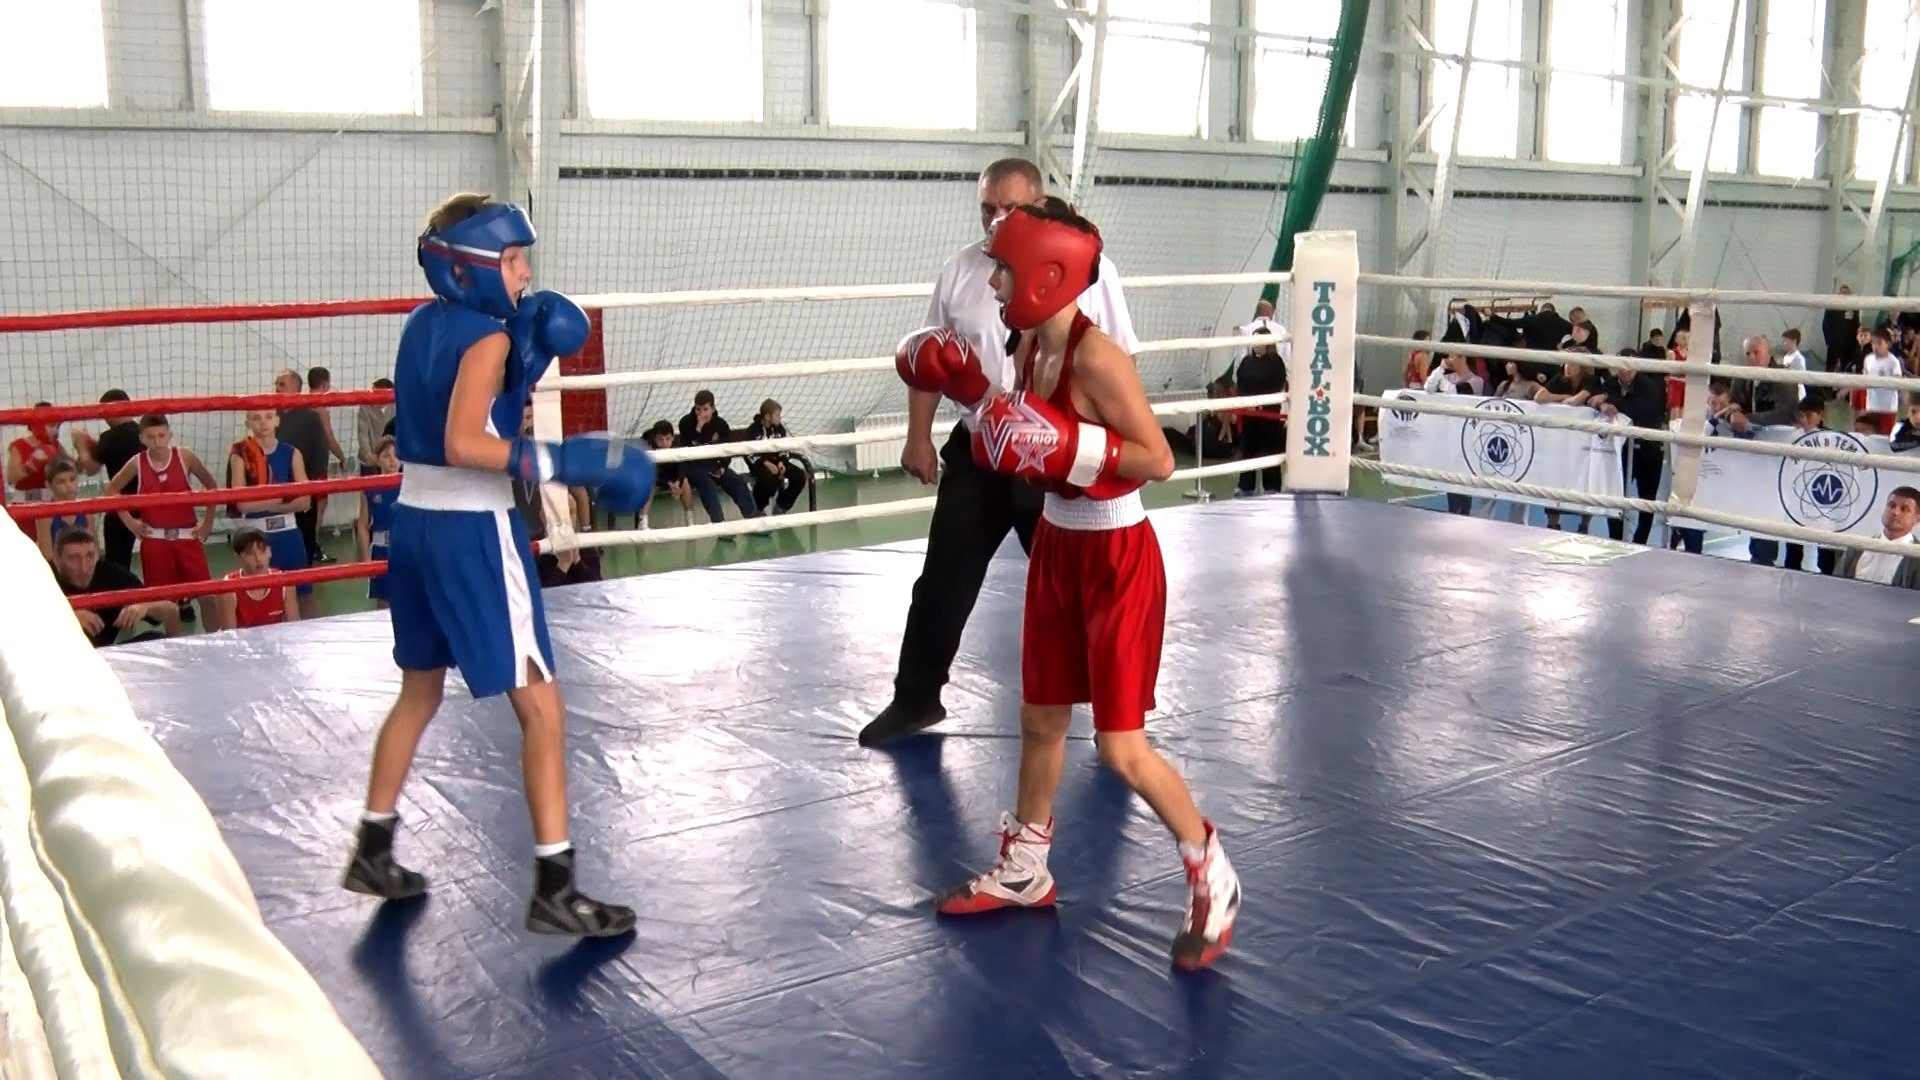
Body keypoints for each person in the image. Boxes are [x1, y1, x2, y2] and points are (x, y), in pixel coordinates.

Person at [897, 200, 1239, 970]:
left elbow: (1157, 459)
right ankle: (1025, 869)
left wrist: (1076, 447)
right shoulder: (1028, 347)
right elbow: (1022, 434)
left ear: (1045, 275)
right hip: (1057, 545)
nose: (994, 281)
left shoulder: (1097, 358)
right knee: (1042, 718)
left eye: (1004, 268)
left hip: (1116, 556)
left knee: (1121, 750)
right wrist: (978, 396)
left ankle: (1212, 872)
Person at [341, 192, 653, 938]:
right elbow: (464, 442)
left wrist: (525, 357)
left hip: (413, 524)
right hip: (473, 531)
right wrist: (563, 461)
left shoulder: (424, 324)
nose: (524, 273)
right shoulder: (486, 337)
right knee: (542, 707)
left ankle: (372, 849)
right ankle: (556, 888)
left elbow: (453, 416)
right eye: (511, 259)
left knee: (419, 692)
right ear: (470, 267)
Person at [862, 157, 1138, 748]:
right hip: (981, 447)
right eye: (986, 208)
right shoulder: (963, 269)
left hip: (1055, 456)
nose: (994, 219)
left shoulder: (1090, 267)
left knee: (1083, 588)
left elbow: (1122, 363)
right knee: (943, 578)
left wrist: (1092, 448)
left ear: (1037, 204)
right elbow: (934, 357)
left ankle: (1123, 711)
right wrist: (918, 436)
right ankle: (915, 698)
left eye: (1008, 208)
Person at [105, 414, 218, 622]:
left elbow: (211, 485)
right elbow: (112, 489)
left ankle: (216, 638)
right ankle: (173, 641)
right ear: (141, 438)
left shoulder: (184, 456)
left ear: (169, 435)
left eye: (161, 435)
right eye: (151, 437)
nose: (157, 442)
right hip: (155, 541)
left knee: (207, 596)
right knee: (165, 603)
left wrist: (207, 522)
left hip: (188, 537)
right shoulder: (137, 462)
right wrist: (131, 522)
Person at [228, 408, 316, 619]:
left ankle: (312, 640)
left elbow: (305, 501)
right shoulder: (240, 453)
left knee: (304, 596)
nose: (263, 423)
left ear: (277, 420)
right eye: (256, 417)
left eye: (268, 417)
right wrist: (281, 499)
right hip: (256, 538)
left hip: (289, 534)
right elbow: (242, 504)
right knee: (259, 597)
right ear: (247, 422)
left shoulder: (292, 453)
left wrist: (270, 505)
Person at [52, 528, 181, 648]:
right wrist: (67, 616)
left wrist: (145, 607)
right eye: (73, 558)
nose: (84, 567)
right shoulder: (45, 576)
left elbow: (171, 610)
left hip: (104, 655)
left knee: (156, 639)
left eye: (90, 555)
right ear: (57, 559)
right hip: (57, 656)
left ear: (97, 555)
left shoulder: (110, 573)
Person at [72, 390, 144, 570]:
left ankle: (119, 586)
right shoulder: (143, 433)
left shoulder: (109, 437)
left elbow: (91, 468)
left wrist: (80, 444)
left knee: (116, 563)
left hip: (120, 505)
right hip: (147, 502)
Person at [678, 390, 760, 526]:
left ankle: (752, 519)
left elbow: (727, 451)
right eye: (698, 409)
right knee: (708, 486)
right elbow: (687, 448)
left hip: (714, 465)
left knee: (737, 482)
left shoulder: (721, 425)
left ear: (713, 408)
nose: (701, 413)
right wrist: (698, 428)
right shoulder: (686, 423)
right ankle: (719, 525)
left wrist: (723, 466)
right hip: (693, 466)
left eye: (705, 409)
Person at [1233, 325, 1287, 496]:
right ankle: (1245, 486)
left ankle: (1272, 487)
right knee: (1248, 449)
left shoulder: (1276, 363)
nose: (1255, 344)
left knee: (1269, 450)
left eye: (1259, 341)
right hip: (1250, 414)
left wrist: (1262, 403)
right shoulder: (1246, 362)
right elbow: (1240, 382)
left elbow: (1276, 383)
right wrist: (1246, 401)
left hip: (1269, 414)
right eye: (1253, 340)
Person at [1837, 487, 1920, 588]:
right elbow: (1835, 586)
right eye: (1891, 505)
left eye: (1904, 509)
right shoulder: (1857, 548)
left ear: (1917, 519)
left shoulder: (1917, 558)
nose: (1895, 512)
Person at [220, 527, 301, 630]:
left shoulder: (284, 583)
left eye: (262, 551)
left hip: (276, 638)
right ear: (239, 558)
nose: (258, 559)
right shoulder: (229, 588)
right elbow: (229, 636)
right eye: (250, 554)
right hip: (243, 640)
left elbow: (294, 629)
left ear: (269, 552)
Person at [6, 406, 66, 539]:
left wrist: (83, 449)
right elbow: (11, 478)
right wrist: (31, 465)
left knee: (54, 544)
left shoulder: (56, 445)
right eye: (51, 425)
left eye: (56, 425)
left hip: (52, 504)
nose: (55, 429)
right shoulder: (20, 445)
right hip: (26, 506)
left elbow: (72, 469)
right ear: (38, 425)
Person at [742, 399, 810, 515]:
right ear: (767, 416)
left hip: (778, 462)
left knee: (799, 476)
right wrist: (765, 463)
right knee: (770, 481)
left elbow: (784, 448)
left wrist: (782, 462)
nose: (780, 418)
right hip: (760, 464)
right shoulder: (753, 430)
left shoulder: (780, 429)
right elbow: (749, 452)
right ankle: (758, 507)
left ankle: (782, 505)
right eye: (777, 415)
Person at [358, 436, 401, 609]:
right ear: (377, 459)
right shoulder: (370, 487)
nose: (392, 460)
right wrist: (366, 559)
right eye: (386, 455)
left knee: (409, 598)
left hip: (404, 546)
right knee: (383, 601)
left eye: (396, 454)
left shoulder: (409, 484)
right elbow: (362, 524)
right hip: (381, 548)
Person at [34, 460, 90, 563]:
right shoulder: (45, 516)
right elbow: (47, 556)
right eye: (61, 481)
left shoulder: (86, 512)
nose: (69, 486)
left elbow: (94, 550)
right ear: (49, 485)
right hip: (56, 568)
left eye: (72, 479)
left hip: (83, 566)